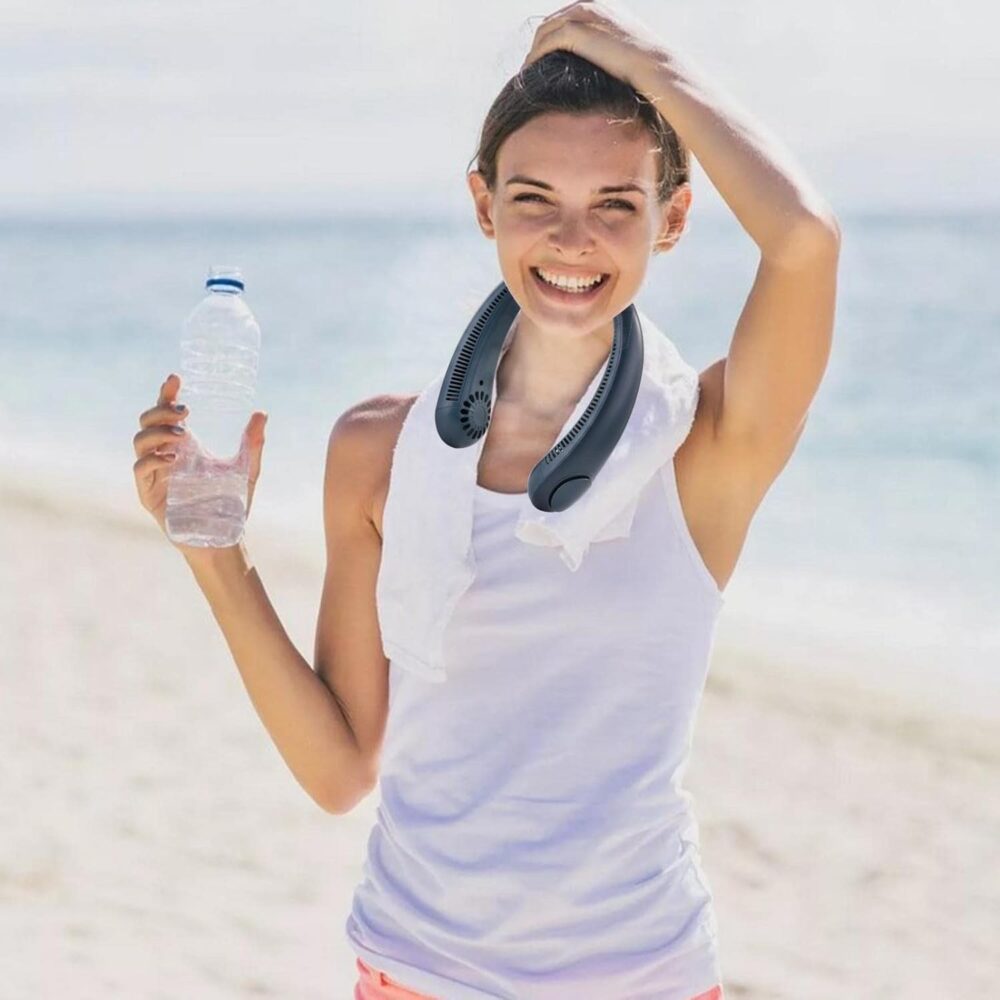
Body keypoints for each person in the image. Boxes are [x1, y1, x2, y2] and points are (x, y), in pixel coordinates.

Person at [132, 4, 840, 998]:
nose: (571, 239)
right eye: (534, 197)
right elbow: (339, 770)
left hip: (638, 976)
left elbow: (803, 240)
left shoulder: (703, 445)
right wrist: (214, 553)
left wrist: (633, 55)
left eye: (616, 204)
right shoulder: (377, 451)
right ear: (483, 204)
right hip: (413, 969)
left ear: (673, 218)